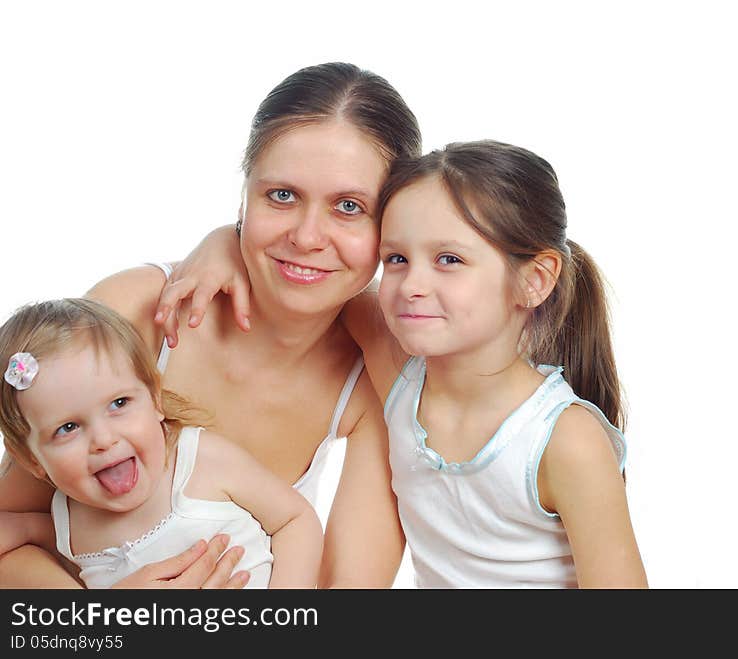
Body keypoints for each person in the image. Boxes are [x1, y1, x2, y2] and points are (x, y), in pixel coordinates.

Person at [150, 140, 648, 588]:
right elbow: (314, 282)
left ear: (534, 281)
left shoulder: (564, 440)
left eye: (449, 260)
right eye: (396, 259)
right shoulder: (399, 372)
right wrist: (223, 243)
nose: (412, 285)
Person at [0, 61, 421, 588]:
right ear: (244, 194)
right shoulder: (133, 315)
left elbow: (350, 596)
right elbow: (7, 532)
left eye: (349, 206)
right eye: (282, 195)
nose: (308, 237)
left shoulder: (375, 382)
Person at [0, 299, 323, 588]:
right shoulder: (67, 520)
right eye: (68, 427)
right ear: (32, 460)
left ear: (155, 399)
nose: (104, 439)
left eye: (119, 404)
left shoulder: (201, 461)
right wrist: (27, 528)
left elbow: (295, 519)